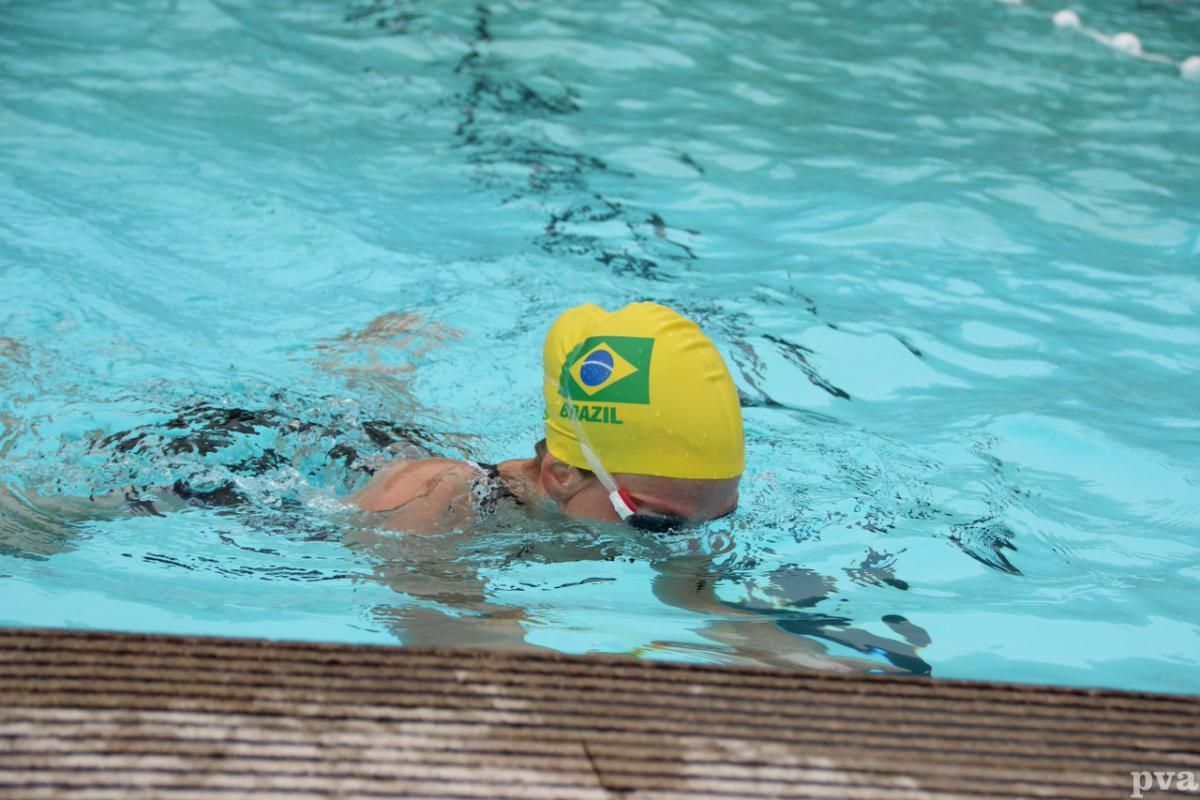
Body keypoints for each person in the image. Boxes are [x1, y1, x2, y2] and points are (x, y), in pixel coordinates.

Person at [353, 301, 745, 535]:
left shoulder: (632, 504)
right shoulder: (437, 505)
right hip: (342, 459)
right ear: (561, 477)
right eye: (658, 526)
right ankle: (372, 360)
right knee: (367, 418)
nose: (691, 547)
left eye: (720, 518)